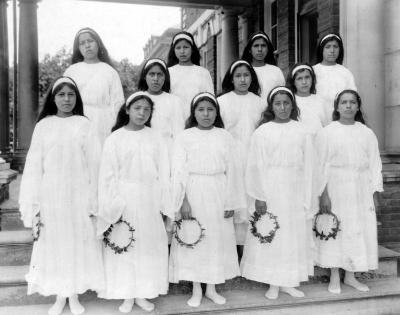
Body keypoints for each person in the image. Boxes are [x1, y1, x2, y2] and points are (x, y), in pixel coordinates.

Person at [18, 76, 104, 315]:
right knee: (56, 243)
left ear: (77, 98)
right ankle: (59, 295)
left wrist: (93, 199)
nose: (66, 99)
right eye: (61, 95)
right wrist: (33, 202)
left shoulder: (85, 124)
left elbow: (94, 164)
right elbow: (35, 165)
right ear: (53, 98)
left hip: (79, 192)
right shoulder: (44, 125)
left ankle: (74, 294)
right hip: (52, 193)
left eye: (71, 95)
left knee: (76, 242)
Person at [169, 92, 246, 307]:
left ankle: (211, 288)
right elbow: (177, 171)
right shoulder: (184, 137)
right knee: (194, 236)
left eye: (210, 109)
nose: (206, 114)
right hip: (193, 190)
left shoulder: (225, 136)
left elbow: (233, 171)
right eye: (201, 109)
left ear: (216, 113)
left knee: (216, 239)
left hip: (219, 191)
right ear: (194, 113)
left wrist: (231, 201)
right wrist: (183, 200)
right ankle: (195, 287)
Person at [96, 92, 171, 313]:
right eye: (137, 108)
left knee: (147, 246)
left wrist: (163, 205)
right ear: (127, 110)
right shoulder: (115, 138)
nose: (142, 113)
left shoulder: (156, 138)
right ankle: (126, 293)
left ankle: (142, 292)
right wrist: (113, 205)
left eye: (147, 110)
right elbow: (107, 175)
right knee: (125, 242)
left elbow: (164, 172)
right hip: (124, 197)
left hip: (150, 196)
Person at [240, 87, 314, 300]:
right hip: (271, 188)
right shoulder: (262, 132)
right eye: (278, 103)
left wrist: (308, 195)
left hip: (295, 189)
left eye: (286, 103)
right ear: (271, 107)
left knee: (292, 235)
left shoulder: (302, 131)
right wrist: (259, 195)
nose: (282, 107)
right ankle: (273, 282)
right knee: (273, 233)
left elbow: (309, 165)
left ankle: (288, 281)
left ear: (292, 106)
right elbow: (254, 166)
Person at [315, 89, 383, 294]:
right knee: (338, 229)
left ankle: (351, 275)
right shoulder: (327, 132)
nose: (348, 106)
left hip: (361, 188)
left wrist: (375, 192)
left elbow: (374, 164)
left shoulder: (366, 132)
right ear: (337, 107)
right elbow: (320, 166)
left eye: (352, 102)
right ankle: (334, 275)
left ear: (358, 106)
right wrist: (323, 194)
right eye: (344, 102)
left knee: (357, 229)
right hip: (336, 186)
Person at [217, 60, 263, 245]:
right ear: (231, 78)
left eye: (246, 75)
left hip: (252, 157)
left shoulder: (259, 102)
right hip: (229, 157)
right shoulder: (222, 101)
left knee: (250, 199)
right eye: (238, 75)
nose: (243, 79)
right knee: (231, 198)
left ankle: (249, 249)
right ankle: (231, 248)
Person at [64, 27, 125, 145]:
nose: (87, 45)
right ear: (78, 48)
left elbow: (118, 104)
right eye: (82, 43)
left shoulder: (110, 72)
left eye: (90, 41)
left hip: (103, 124)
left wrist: (116, 130)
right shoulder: (71, 71)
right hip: (77, 122)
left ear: (98, 44)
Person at [137, 58, 185, 155]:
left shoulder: (175, 101)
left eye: (159, 74)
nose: (155, 79)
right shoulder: (138, 99)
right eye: (151, 74)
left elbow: (179, 133)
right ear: (145, 77)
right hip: (144, 149)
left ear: (165, 77)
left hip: (167, 150)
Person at [167, 31, 214, 119]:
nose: (182, 51)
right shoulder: (168, 72)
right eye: (178, 48)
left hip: (197, 119)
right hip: (174, 118)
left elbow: (210, 99)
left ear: (192, 49)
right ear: (173, 51)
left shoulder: (203, 72)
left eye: (186, 47)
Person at [313, 33, 357, 123]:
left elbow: (352, 98)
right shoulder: (313, 71)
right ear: (322, 49)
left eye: (335, 47)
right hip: (317, 119)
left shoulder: (345, 73)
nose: (332, 50)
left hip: (339, 121)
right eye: (328, 47)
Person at [241, 31, 285, 103]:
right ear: (249, 50)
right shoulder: (244, 71)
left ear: (268, 49)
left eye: (263, 46)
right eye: (256, 46)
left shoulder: (276, 71)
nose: (260, 49)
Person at [286, 62, 327, 133]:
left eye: (307, 77)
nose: (304, 82)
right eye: (299, 78)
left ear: (312, 79)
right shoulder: (290, 101)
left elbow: (326, 126)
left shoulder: (320, 100)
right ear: (293, 82)